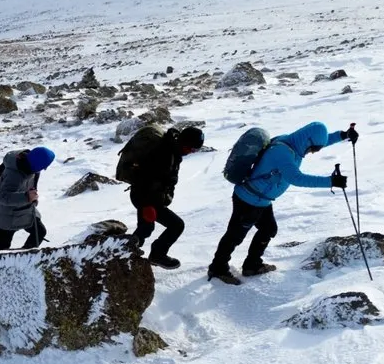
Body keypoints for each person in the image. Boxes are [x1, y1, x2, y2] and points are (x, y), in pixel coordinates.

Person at [208, 122, 358, 285]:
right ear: (307, 141)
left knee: (268, 229)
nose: (311, 153)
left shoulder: (292, 142)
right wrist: (331, 181)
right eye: (312, 149)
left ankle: (252, 265)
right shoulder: (283, 152)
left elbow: (321, 140)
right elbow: (296, 178)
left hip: (261, 199)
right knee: (235, 236)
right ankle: (217, 268)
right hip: (249, 200)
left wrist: (343, 135)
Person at [128, 126, 205, 269]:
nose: (192, 153)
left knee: (145, 229)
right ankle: (150, 254)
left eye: (195, 150)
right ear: (185, 143)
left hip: (151, 199)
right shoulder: (163, 154)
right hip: (146, 199)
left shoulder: (173, 149)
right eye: (192, 149)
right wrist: (146, 206)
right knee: (176, 225)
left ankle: (128, 252)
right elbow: (142, 180)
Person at [0, 146, 54, 256]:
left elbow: (31, 186)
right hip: (6, 216)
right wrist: (27, 197)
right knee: (1, 246)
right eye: (44, 166)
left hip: (23, 211)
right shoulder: (14, 174)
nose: (45, 169)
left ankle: (24, 258)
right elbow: (2, 196)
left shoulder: (30, 165)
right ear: (38, 164)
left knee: (39, 232)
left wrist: (31, 198)